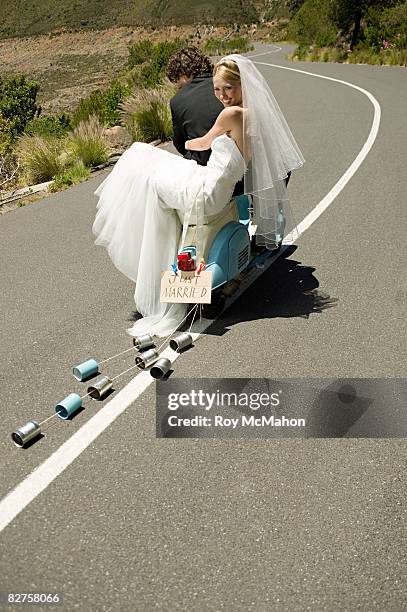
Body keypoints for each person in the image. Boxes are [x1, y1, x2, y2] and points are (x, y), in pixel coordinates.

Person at [93, 54, 304, 337]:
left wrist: (195, 142)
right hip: (215, 187)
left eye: (227, 88)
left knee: (138, 154)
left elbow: (199, 143)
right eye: (217, 89)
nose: (221, 95)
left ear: (241, 85)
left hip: (207, 191)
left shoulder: (230, 115)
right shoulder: (251, 114)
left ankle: (153, 261)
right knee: (146, 163)